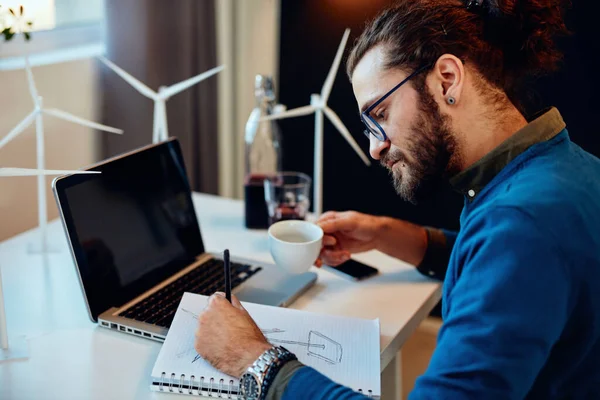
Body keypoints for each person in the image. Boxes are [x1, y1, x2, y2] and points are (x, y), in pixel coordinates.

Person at [194, 0, 600, 398]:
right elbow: (509, 269)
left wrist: (254, 359)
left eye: (380, 114)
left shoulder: (520, 226)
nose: (375, 148)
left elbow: (513, 251)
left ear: (446, 79)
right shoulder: (561, 170)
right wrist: (392, 235)